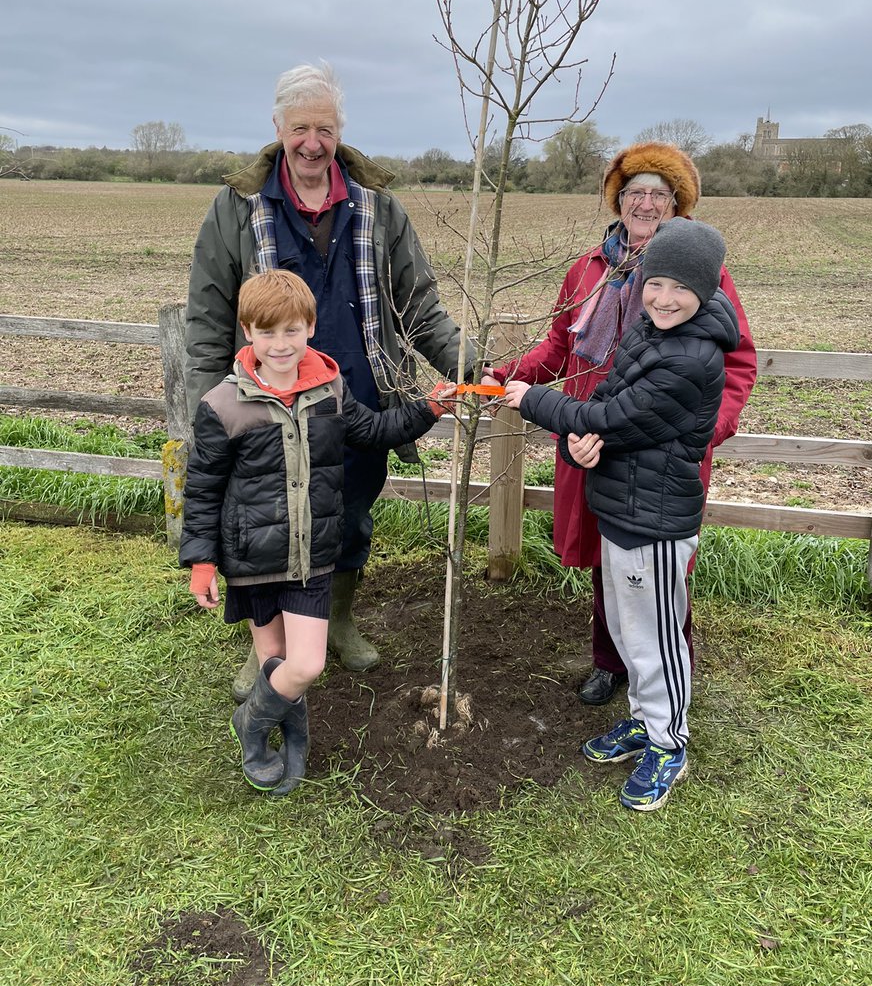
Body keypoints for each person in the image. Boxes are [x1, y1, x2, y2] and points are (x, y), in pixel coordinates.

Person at [184, 63, 474, 695]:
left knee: (347, 516)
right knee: (264, 522)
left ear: (340, 130)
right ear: (277, 128)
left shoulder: (378, 209)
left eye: (325, 127)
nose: (312, 141)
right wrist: (208, 407)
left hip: (353, 400)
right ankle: (270, 643)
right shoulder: (236, 209)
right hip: (265, 405)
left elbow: (418, 303)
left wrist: (462, 359)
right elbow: (208, 314)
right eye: (300, 127)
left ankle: (336, 619)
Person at [484, 142, 756, 705]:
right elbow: (559, 348)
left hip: (663, 448)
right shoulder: (588, 269)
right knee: (608, 555)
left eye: (660, 194)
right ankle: (610, 662)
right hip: (592, 431)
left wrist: (707, 430)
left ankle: (664, 672)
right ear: (619, 198)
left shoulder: (701, 276)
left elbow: (738, 365)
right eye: (636, 192)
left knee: (657, 566)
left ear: (677, 204)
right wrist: (504, 375)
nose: (647, 203)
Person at [180, 270, 455, 795]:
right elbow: (204, 488)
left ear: (309, 328)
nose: (280, 345)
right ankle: (289, 743)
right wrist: (201, 561)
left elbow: (373, 432)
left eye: (291, 331)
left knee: (305, 664)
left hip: (312, 558)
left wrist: (431, 406)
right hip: (253, 559)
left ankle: (250, 726)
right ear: (247, 332)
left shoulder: (329, 389)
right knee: (276, 664)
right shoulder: (223, 405)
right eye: (267, 333)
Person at [504, 219, 740, 810]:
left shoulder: (693, 358)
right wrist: (575, 446)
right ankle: (643, 719)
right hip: (622, 505)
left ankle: (668, 742)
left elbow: (613, 419)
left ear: (708, 290)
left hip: (654, 522)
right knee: (630, 630)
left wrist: (533, 400)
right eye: (655, 283)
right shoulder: (649, 331)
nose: (663, 298)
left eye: (679, 288)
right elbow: (605, 400)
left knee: (656, 638)